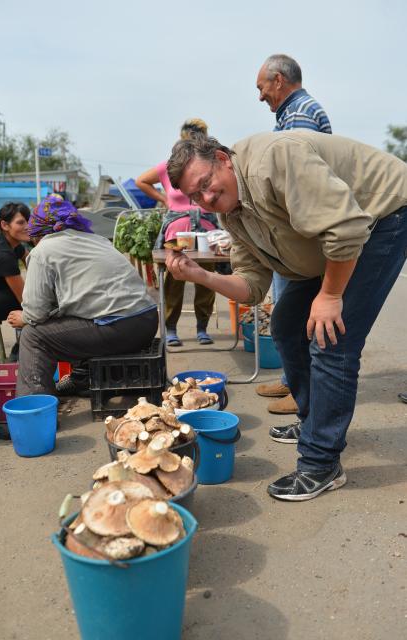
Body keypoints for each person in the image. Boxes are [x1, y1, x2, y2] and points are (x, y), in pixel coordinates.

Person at [163, 132, 407, 501]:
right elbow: (252, 287)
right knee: (286, 324)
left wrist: (330, 294)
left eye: (206, 184)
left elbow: (346, 228)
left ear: (223, 159)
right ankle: (313, 424)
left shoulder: (274, 161)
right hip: (338, 236)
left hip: (382, 217)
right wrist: (200, 275)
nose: (206, 199)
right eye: (195, 196)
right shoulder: (232, 215)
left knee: (332, 338)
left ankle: (321, 463)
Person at [7, 194, 158, 397]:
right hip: (147, 321)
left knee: (33, 336)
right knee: (70, 318)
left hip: (120, 328)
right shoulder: (96, 239)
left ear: (38, 229)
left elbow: (35, 312)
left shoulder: (43, 251)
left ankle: (34, 405)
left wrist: (23, 318)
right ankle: (82, 379)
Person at [255, 54, 332, 415]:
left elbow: (298, 180)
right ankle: (293, 381)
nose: (260, 96)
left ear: (279, 80)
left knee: (295, 316)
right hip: (295, 231)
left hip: (301, 235)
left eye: (262, 87)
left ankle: (304, 392)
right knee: (289, 313)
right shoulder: (293, 112)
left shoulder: (299, 115)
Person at [135, 118, 219, 347]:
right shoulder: (169, 166)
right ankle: (171, 328)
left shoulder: (208, 164)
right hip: (176, 232)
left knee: (207, 279)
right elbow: (141, 181)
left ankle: (202, 327)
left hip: (205, 230)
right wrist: (164, 199)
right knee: (174, 277)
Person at [0, 202, 30, 363]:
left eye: (29, 221)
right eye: (21, 222)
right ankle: (22, 349)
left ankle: (21, 348)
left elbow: (34, 264)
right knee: (32, 302)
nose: (27, 226)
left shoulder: (12, 244)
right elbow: (24, 299)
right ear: (5, 225)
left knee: (34, 296)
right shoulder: (3, 253)